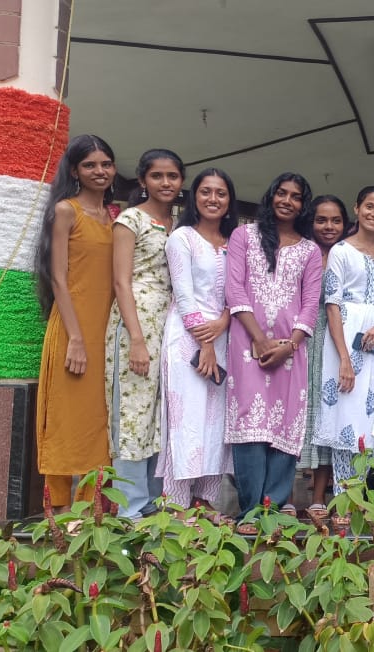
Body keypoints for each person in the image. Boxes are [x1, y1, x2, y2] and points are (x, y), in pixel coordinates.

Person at [224, 172, 323, 529]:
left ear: (303, 205)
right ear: (270, 196)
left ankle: (274, 510)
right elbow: (234, 288)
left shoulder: (310, 250)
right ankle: (250, 512)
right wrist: (259, 339)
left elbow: (310, 304)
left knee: (285, 422)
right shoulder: (244, 236)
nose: (287, 201)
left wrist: (290, 345)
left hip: (290, 350)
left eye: (296, 197)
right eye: (281, 193)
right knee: (250, 423)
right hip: (246, 345)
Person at [35, 134, 117, 509]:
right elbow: (58, 278)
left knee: (98, 418)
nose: (99, 171)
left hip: (105, 329)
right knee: (67, 417)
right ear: (74, 171)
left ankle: (92, 509)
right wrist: (76, 339)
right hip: (73, 328)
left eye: (106, 164)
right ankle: (59, 509)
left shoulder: (113, 217)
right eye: (90, 165)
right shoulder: (66, 210)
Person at [105, 149, 183, 518]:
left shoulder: (177, 224)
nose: (166, 183)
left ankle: (153, 499)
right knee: (132, 412)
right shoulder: (130, 219)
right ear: (142, 180)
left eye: (172, 176)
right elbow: (120, 281)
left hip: (169, 323)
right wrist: (135, 339)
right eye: (157, 176)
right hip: (134, 321)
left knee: (159, 412)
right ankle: (129, 507)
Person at [158, 168, 235, 515]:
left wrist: (224, 322)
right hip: (187, 339)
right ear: (194, 197)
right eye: (206, 192)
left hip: (224, 336)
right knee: (185, 419)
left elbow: (238, 293)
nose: (213, 199)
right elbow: (184, 295)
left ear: (229, 200)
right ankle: (176, 506)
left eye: (220, 193)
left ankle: (205, 502)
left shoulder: (234, 243)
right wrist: (205, 344)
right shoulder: (182, 238)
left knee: (216, 423)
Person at [312, 187, 374, 496]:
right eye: (369, 206)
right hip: (344, 336)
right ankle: (345, 497)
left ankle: (365, 495)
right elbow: (332, 305)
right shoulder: (341, 251)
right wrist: (343, 358)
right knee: (345, 412)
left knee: (373, 414)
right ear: (357, 208)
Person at [297, 195, 349, 516]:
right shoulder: (302, 251)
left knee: (328, 413)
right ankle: (287, 498)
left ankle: (319, 495)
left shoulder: (348, 254)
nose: (329, 226)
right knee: (300, 413)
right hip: (302, 337)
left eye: (335, 220)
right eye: (321, 220)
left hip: (336, 339)